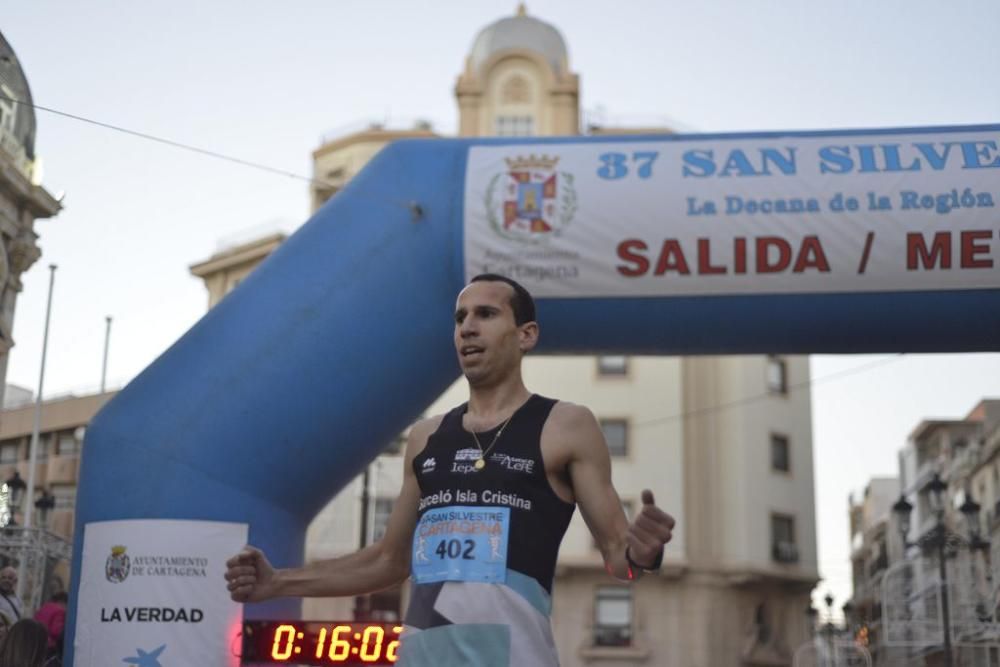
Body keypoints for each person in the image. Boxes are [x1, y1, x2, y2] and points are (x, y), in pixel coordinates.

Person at [225, 274, 676, 666]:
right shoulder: (426, 437)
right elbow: (389, 560)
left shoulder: (566, 425)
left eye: (485, 314)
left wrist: (643, 552)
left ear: (526, 334)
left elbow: (621, 560)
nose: (468, 328)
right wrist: (277, 582)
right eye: (460, 318)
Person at [33, 592, 66, 660]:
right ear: (62, 601)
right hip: (49, 646)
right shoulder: (60, 610)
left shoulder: (44, 607)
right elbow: (56, 631)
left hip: (36, 643)